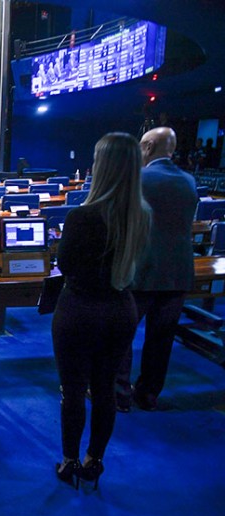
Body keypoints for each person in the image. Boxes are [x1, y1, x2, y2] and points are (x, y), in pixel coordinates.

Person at [52, 132, 151, 489]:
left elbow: (64, 264)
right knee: (105, 389)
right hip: (122, 310)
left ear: (103, 168)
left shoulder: (82, 216)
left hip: (80, 310)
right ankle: (95, 461)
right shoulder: (143, 216)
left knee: (73, 390)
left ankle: (69, 461)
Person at [116, 127, 198, 412]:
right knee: (161, 341)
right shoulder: (189, 181)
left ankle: (119, 393)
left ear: (148, 147)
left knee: (122, 334)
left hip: (142, 271)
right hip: (178, 274)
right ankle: (148, 395)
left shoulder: (138, 179)